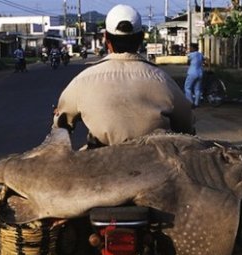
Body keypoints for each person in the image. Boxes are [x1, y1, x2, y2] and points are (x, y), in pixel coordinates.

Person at [53, 4, 194, 148]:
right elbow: (186, 125)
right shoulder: (163, 79)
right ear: (140, 40)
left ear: (107, 39)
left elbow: (59, 127)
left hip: (101, 162)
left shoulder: (82, 81)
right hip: (154, 161)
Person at [184, 43, 204, 108]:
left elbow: (187, 62)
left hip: (192, 73)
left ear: (194, 48)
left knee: (187, 87)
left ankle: (190, 102)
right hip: (200, 73)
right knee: (197, 88)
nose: (190, 49)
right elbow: (205, 60)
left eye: (191, 48)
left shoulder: (191, 54)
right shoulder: (200, 54)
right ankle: (196, 103)